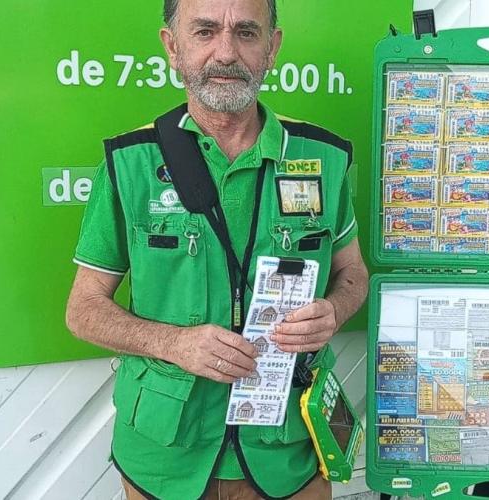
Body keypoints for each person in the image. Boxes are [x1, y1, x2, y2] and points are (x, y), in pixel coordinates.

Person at [65, 0, 369, 499]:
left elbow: (353, 272)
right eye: (204, 31)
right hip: (167, 462)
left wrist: (333, 310)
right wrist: (173, 344)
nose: (226, 52)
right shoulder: (130, 163)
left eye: (246, 33)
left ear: (272, 48)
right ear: (172, 47)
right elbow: (82, 310)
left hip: (288, 454)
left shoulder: (324, 158)